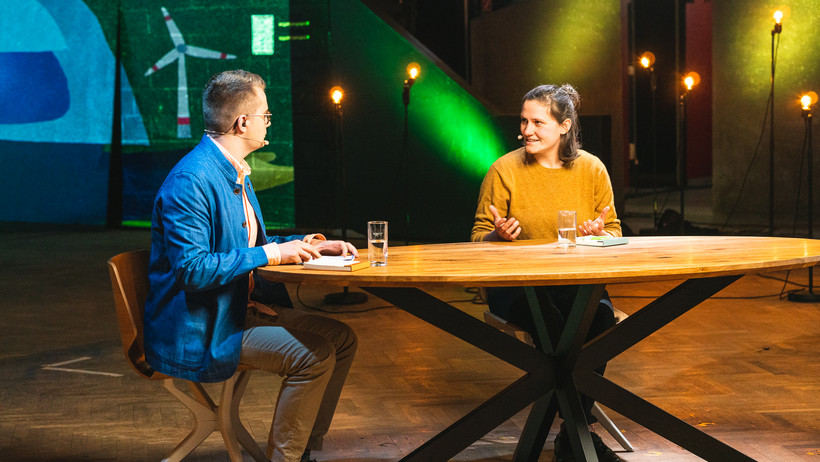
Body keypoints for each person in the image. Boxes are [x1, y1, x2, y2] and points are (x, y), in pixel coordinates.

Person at [144, 69, 357, 462]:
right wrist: (273, 254)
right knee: (315, 355)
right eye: (266, 116)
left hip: (235, 312)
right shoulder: (191, 180)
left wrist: (306, 245)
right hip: (202, 327)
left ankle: (304, 449)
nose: (268, 122)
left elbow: (251, 246)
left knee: (341, 339)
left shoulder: (233, 169)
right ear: (243, 122)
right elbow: (193, 270)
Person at [471, 84, 623, 462]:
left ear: (564, 127)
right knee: (556, 323)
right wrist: (496, 234)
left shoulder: (592, 169)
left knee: (600, 318)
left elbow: (616, 232)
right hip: (518, 287)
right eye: (523, 121)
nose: (526, 130)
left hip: (576, 283)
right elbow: (475, 241)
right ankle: (579, 431)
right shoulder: (503, 170)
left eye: (538, 121)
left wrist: (599, 234)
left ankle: (572, 429)